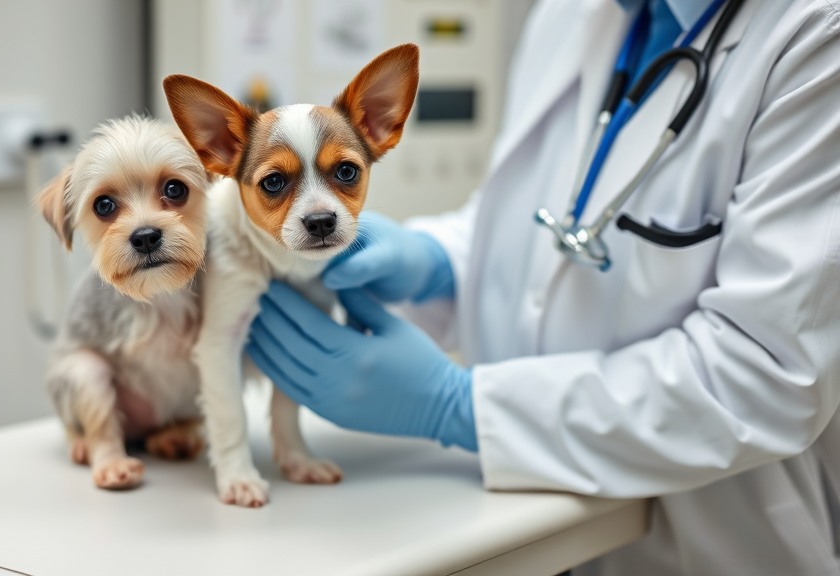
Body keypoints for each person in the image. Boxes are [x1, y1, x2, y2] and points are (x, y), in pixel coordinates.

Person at [244, 0, 840, 574]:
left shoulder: (814, 35)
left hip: (712, 540)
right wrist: (440, 261)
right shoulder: (571, 12)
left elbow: (766, 372)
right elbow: (524, 219)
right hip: (520, 518)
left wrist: (459, 406)